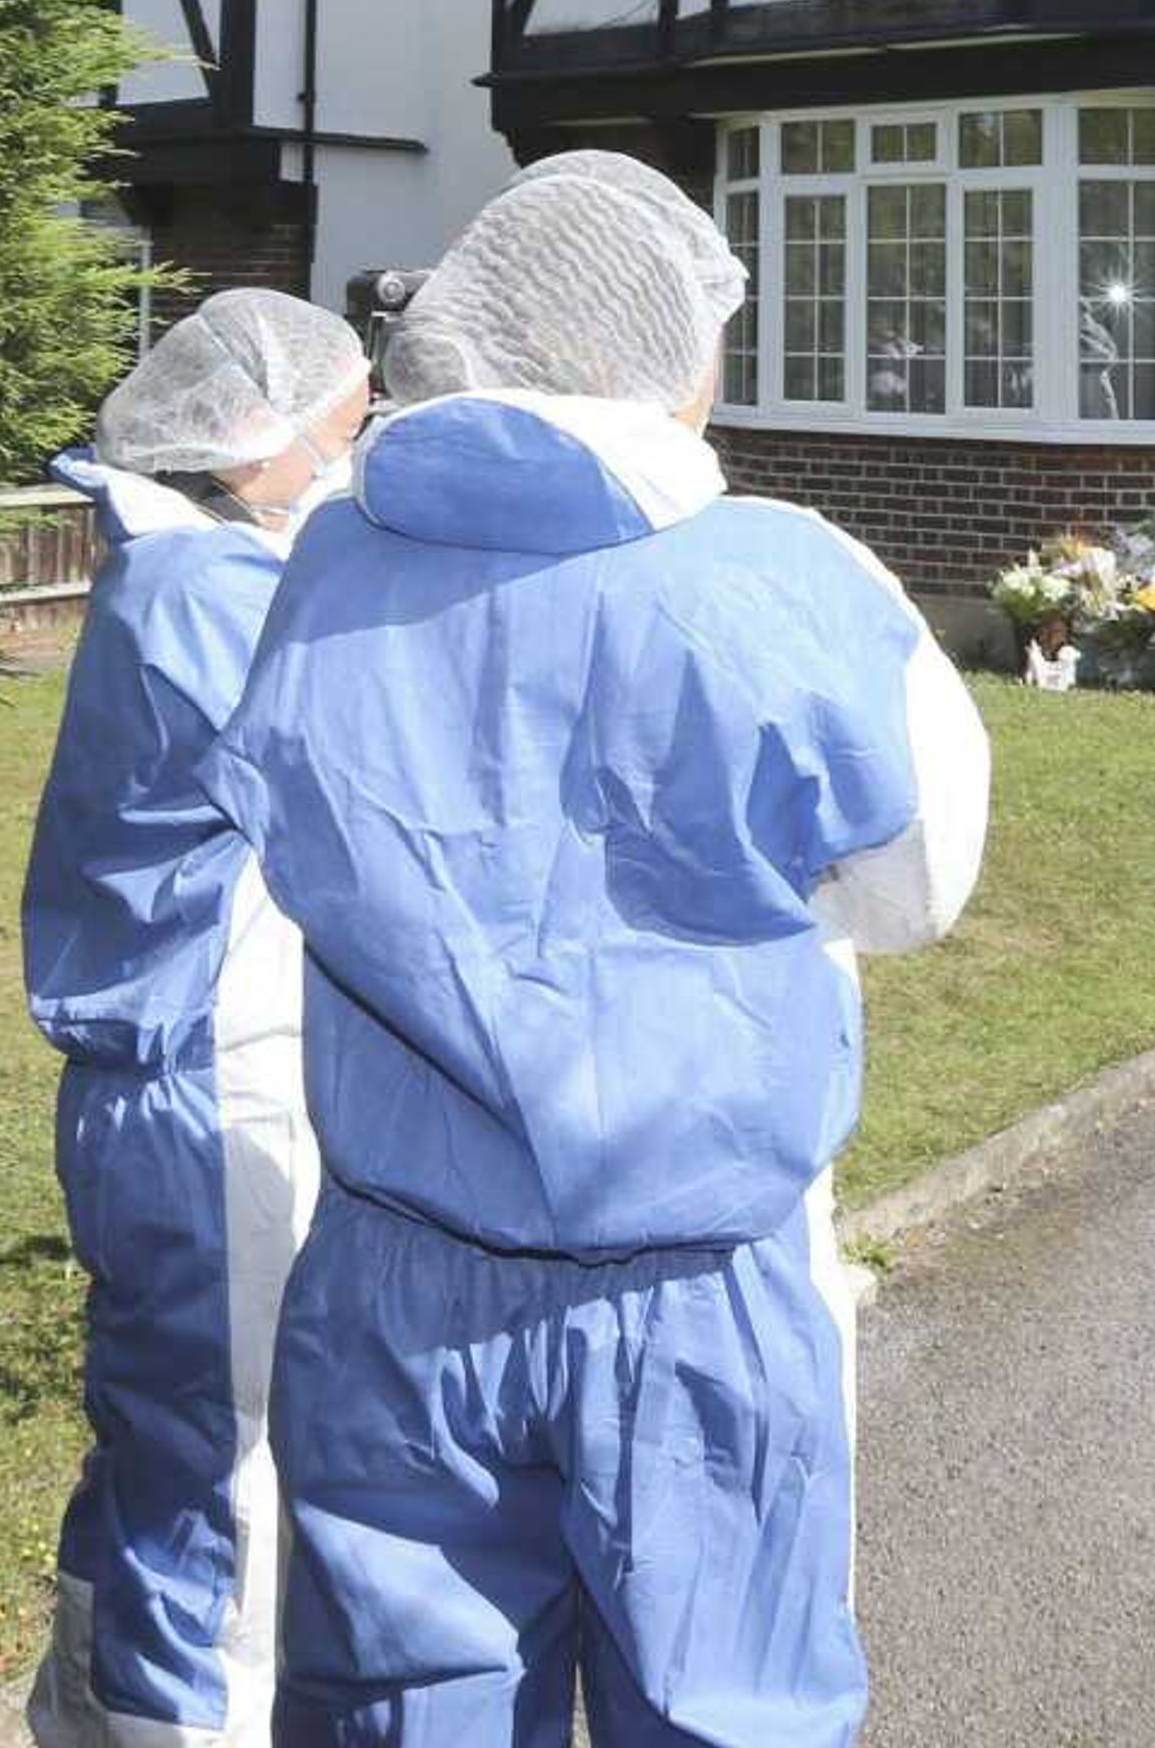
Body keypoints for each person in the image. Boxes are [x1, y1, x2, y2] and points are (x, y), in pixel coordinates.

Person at [212, 151, 988, 1748]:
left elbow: (304, 834)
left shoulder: (325, 570)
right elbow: (917, 885)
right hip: (689, 1293)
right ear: (670, 354)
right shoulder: (793, 575)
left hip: (391, 1287)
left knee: (398, 1718)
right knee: (725, 1716)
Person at [20, 286, 372, 1748]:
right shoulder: (210, 596)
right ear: (265, 439)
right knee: (228, 1478)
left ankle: (89, 1710)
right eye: (350, 419)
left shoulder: (185, 566)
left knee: (159, 1443)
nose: (366, 441)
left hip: (156, 1083)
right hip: (205, 1088)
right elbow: (358, 787)